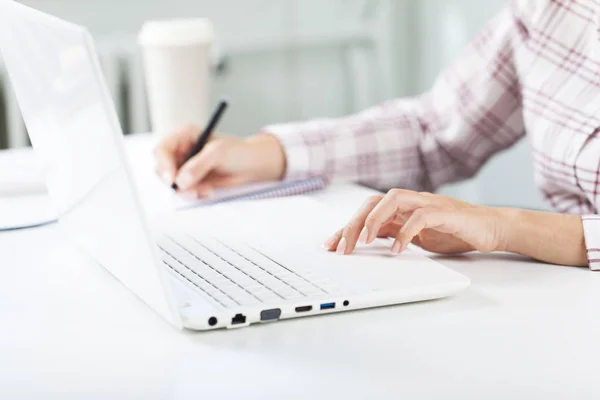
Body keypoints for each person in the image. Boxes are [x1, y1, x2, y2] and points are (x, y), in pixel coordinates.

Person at [155, 0, 600, 270]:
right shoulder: (551, 10)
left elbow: (505, 227)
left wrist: (504, 227)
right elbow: (435, 131)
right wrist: (266, 154)